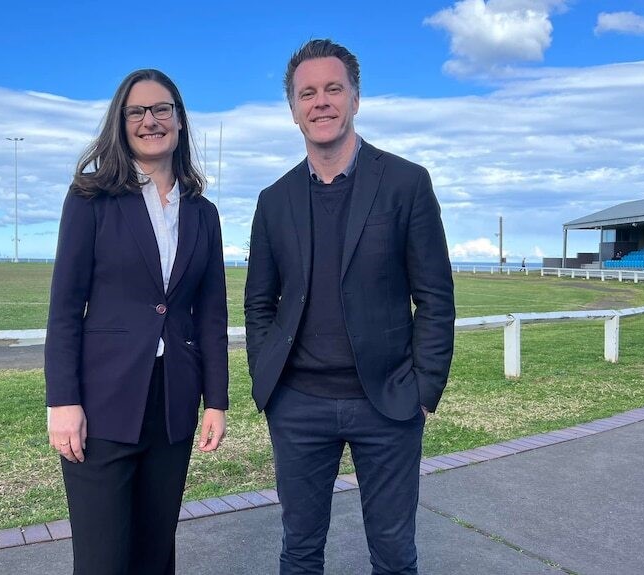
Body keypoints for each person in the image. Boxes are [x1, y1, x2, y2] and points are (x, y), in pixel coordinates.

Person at [244, 40, 455, 575]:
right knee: (299, 551)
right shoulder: (274, 200)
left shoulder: (407, 183)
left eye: (332, 89)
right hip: (298, 405)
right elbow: (258, 302)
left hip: (387, 402)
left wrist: (424, 389)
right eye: (306, 93)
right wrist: (268, 383)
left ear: (356, 98)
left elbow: (434, 296)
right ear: (293, 109)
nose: (321, 102)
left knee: (392, 553)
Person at [45, 68, 228, 575]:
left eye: (162, 110)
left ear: (180, 121)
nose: (151, 121)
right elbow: (64, 309)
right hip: (102, 406)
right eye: (137, 112)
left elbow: (211, 315)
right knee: (103, 560)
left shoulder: (203, 214)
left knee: (154, 554)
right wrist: (62, 402)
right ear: (121, 123)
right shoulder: (91, 199)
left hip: (172, 404)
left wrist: (216, 400)